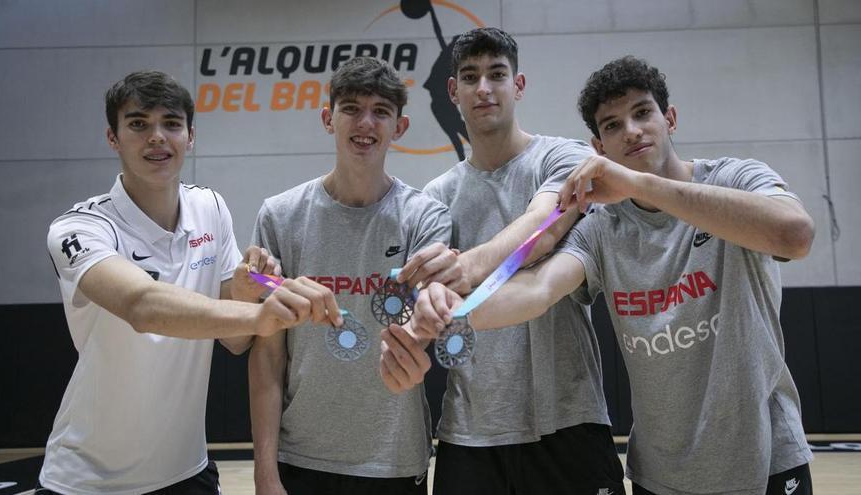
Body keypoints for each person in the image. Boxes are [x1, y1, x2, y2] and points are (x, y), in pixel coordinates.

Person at [412, 56, 816, 495]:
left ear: (671, 118)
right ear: (599, 147)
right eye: (612, 125)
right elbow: (538, 290)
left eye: (642, 113)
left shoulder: (737, 178)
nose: (632, 131)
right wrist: (457, 309)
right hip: (660, 475)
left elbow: (795, 236)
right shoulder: (604, 227)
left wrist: (637, 184)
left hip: (768, 460)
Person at [39, 70, 339, 494]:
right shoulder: (80, 228)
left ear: (190, 136)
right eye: (139, 123)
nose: (157, 137)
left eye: (171, 123)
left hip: (187, 473)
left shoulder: (209, 207)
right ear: (113, 137)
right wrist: (259, 314)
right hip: (87, 480)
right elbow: (142, 307)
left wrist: (249, 288)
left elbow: (233, 338)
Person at [382, 28, 625, 495]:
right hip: (471, 434)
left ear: (519, 85)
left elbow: (544, 224)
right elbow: (418, 299)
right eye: (470, 77)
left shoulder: (562, 157)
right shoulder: (435, 198)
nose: (484, 88)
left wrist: (466, 268)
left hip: (569, 422)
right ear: (453, 91)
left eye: (497, 74)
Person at [246, 56, 456, 495]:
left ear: (399, 126)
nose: (366, 123)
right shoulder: (280, 216)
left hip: (394, 459)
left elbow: (424, 325)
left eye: (381, 111)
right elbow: (267, 355)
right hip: (300, 456)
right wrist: (264, 473)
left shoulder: (426, 217)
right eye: (351, 109)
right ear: (328, 119)